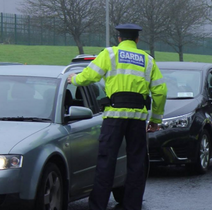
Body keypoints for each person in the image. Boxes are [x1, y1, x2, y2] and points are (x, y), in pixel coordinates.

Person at [67, 23, 167, 210]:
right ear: (137, 40)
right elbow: (161, 91)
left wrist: (74, 79)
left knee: (106, 162)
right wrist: (155, 119)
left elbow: (89, 76)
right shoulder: (148, 60)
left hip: (113, 118)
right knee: (136, 164)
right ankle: (132, 205)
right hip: (137, 120)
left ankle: (98, 206)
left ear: (119, 39)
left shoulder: (110, 54)